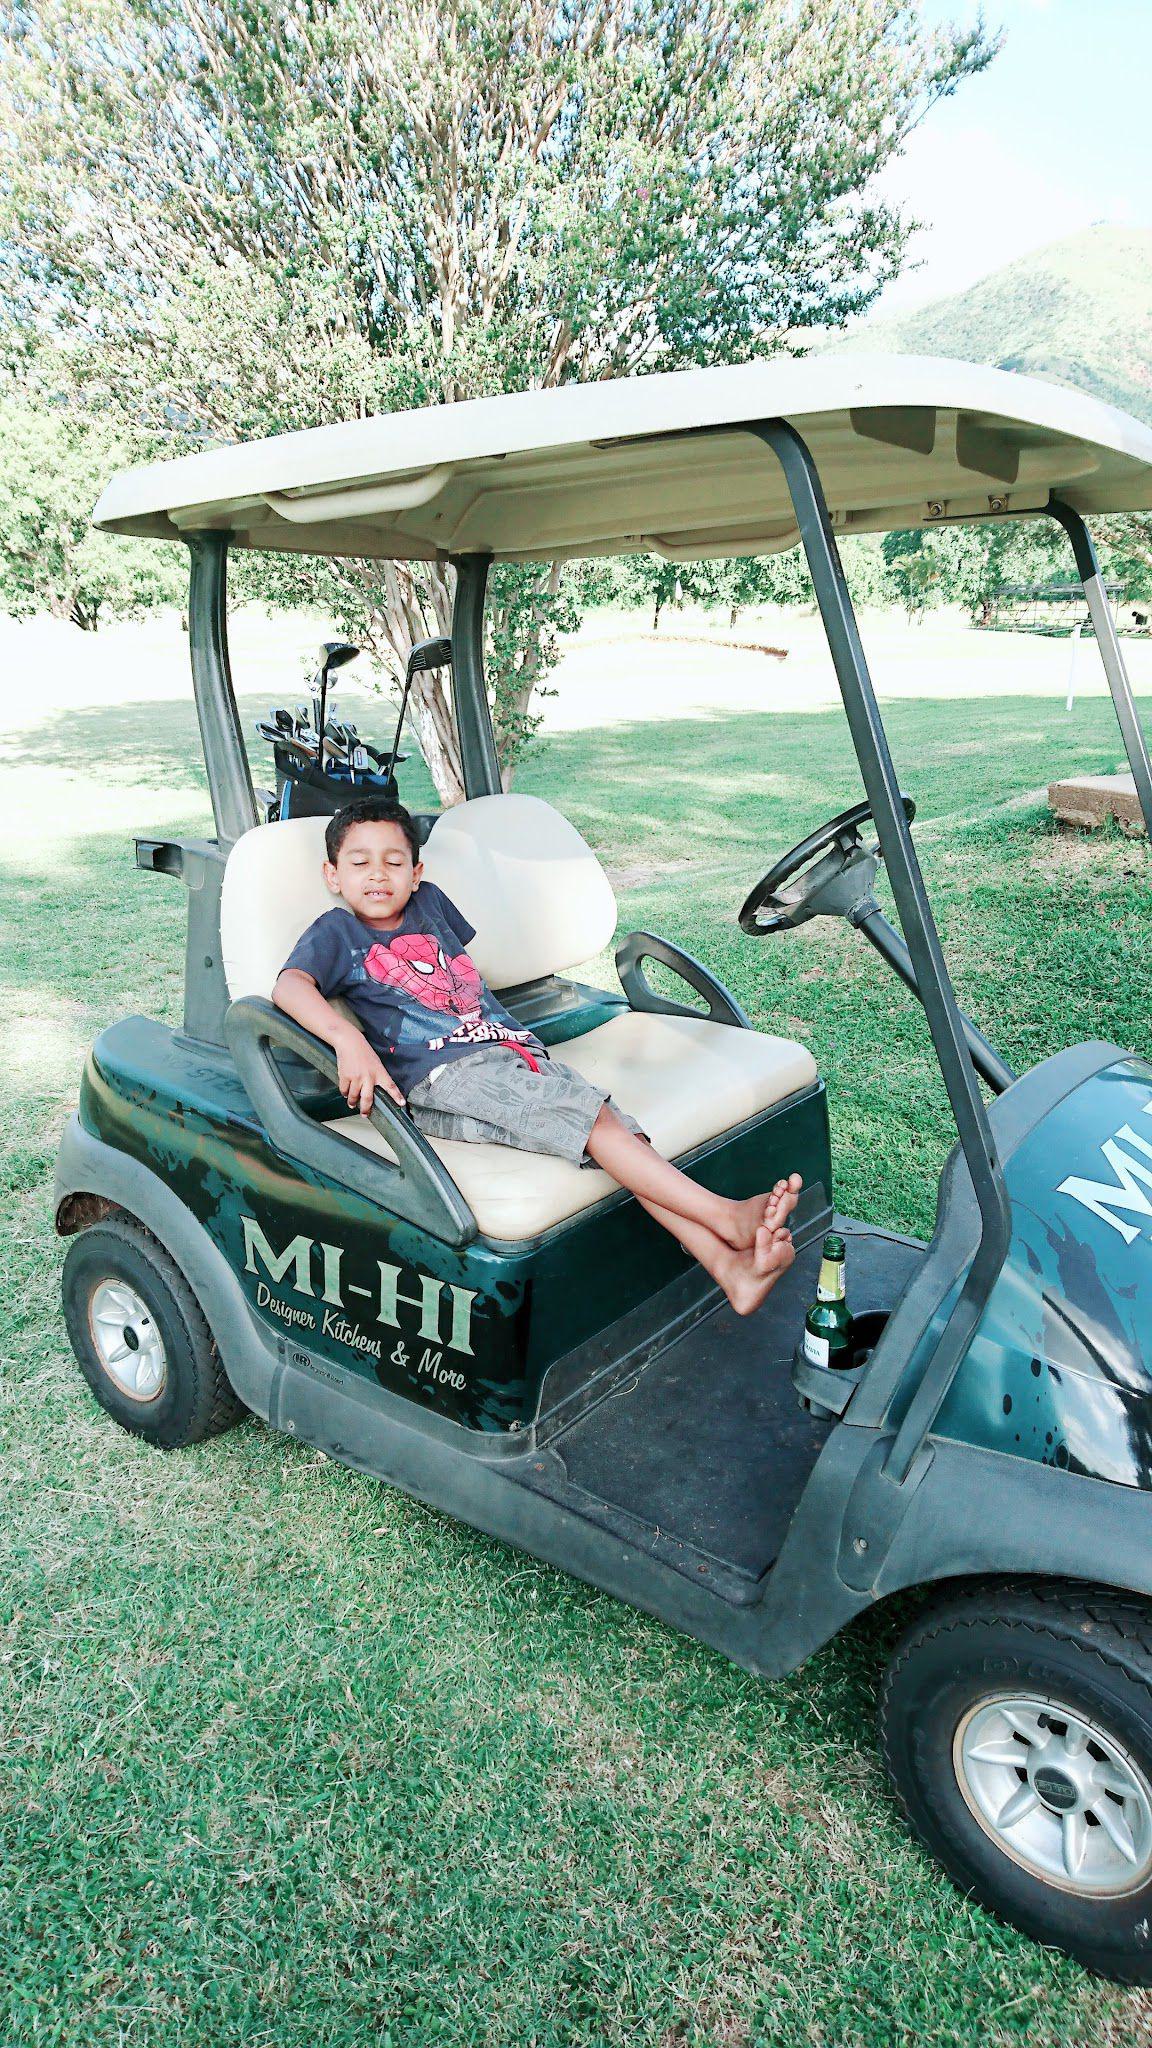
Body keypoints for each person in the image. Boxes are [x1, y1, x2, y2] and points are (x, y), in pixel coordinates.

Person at [273, 797, 802, 1315]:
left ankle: (727, 1267)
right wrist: (347, 1039)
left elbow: (461, 980)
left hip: (515, 1053)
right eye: (359, 863)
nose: (377, 875)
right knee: (595, 1122)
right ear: (332, 875)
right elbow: (290, 987)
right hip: (446, 1077)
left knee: (618, 1134)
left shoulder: (428, 902)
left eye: (394, 862)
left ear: (416, 872)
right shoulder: (337, 932)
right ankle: (727, 1219)